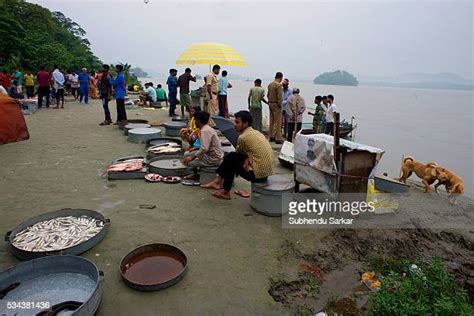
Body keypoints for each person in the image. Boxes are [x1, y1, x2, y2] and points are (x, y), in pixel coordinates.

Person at [201, 110, 273, 200]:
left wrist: (246, 158)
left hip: (257, 175)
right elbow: (249, 153)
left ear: (245, 124)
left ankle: (225, 191)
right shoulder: (257, 133)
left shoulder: (243, 137)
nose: (234, 124)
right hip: (266, 173)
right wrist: (247, 158)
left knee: (230, 159)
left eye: (237, 122)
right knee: (232, 157)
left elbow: (238, 154)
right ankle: (217, 182)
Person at [182, 111, 224, 180]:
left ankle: (197, 175)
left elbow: (204, 148)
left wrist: (192, 157)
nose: (194, 122)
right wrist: (195, 149)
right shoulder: (208, 128)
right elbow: (206, 145)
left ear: (198, 121)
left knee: (188, 162)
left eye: (195, 120)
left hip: (213, 159)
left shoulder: (204, 131)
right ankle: (196, 172)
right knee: (187, 153)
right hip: (212, 154)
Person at [267, 72, 284, 144]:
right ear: (281, 77)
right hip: (276, 104)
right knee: (278, 122)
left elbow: (268, 95)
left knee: (271, 121)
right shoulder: (279, 85)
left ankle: (271, 136)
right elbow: (279, 96)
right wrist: (280, 105)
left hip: (270, 103)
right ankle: (278, 138)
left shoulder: (270, 84)